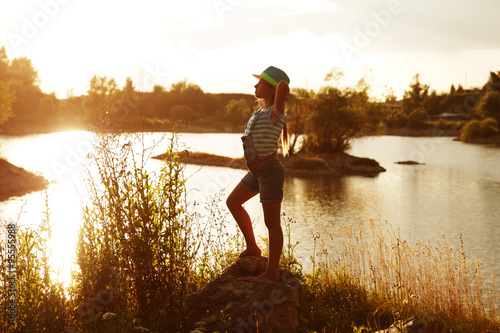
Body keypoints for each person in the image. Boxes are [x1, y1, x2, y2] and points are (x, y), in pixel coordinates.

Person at [226, 66, 290, 282]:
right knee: (233, 202)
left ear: (272, 90)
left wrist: (278, 83)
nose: (255, 85)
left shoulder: (276, 112)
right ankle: (253, 247)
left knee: (272, 223)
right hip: (257, 172)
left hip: (270, 171)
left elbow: (283, 86)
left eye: (260, 82)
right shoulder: (259, 113)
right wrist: (269, 82)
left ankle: (272, 272)